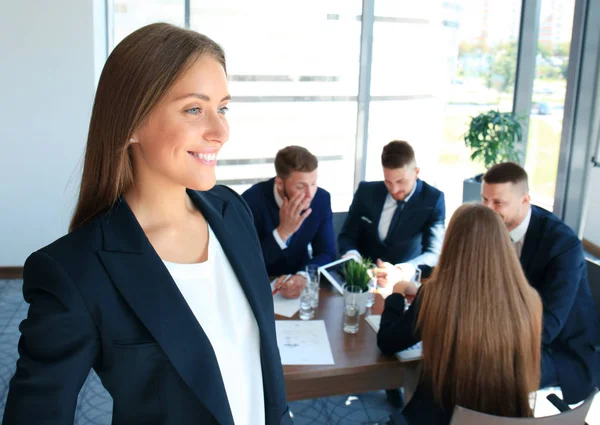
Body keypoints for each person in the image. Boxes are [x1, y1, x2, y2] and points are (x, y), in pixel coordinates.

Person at [3, 23, 291, 425]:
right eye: (195, 109)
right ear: (132, 122)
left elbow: (262, 368)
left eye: (222, 108)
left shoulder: (232, 211)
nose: (221, 131)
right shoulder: (76, 271)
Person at [378, 203, 543, 425]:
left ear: (452, 245)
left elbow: (388, 341)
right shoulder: (528, 299)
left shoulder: (436, 296)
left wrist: (396, 295)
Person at [482, 162, 600, 404]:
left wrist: (488, 339)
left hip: (560, 350)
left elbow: (547, 327)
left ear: (525, 200)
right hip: (511, 333)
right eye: (484, 200)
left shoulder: (562, 245)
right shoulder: (492, 227)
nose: (488, 209)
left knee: (484, 369)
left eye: (497, 202)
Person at [338, 141, 445, 286]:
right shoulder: (366, 192)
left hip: (405, 285)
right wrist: (353, 257)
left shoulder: (433, 200)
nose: (394, 189)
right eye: (388, 182)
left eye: (401, 181)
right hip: (362, 282)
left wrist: (402, 271)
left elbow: (434, 253)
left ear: (416, 172)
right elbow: (347, 235)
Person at [242, 146, 335, 299]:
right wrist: (282, 232)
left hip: (300, 284)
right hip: (261, 286)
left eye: (313, 183)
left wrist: (303, 276)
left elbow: (327, 253)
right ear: (280, 183)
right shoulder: (250, 201)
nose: (309, 194)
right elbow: (247, 262)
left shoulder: (321, 199)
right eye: (300, 186)